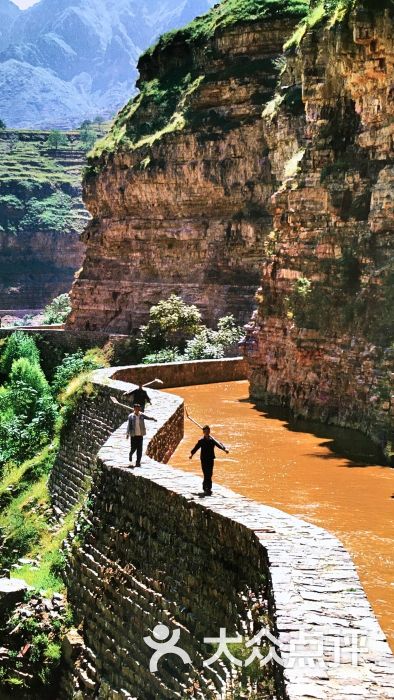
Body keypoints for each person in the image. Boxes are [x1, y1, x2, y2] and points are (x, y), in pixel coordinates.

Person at [189, 425, 229, 496]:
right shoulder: (201, 441)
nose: (207, 432)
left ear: (209, 432)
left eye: (208, 431)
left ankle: (209, 488)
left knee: (210, 474)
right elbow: (196, 448)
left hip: (210, 459)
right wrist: (192, 455)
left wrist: (224, 449)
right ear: (203, 432)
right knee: (206, 474)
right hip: (204, 459)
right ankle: (205, 488)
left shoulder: (212, 440)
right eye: (205, 431)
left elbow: (219, 445)